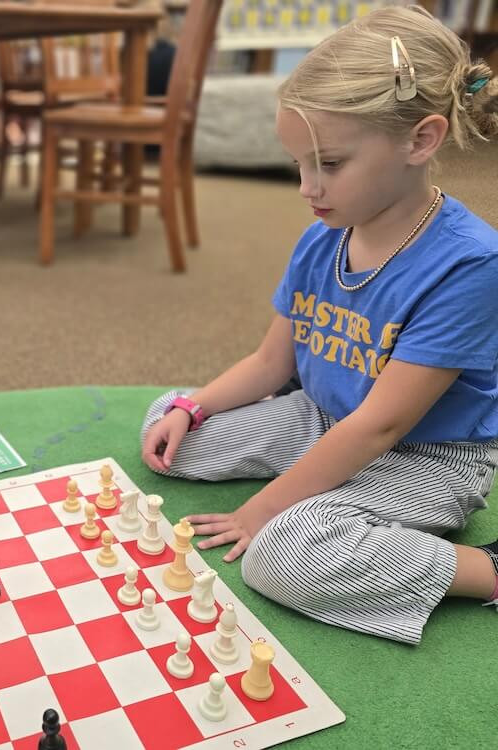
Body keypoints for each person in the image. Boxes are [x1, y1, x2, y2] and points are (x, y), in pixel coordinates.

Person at [140, 6, 498, 645]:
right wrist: (192, 409)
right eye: (298, 164)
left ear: (421, 140)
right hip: (321, 417)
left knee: (278, 554)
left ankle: (486, 569)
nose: (308, 187)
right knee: (165, 425)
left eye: (329, 164)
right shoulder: (321, 236)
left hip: (427, 458)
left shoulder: (470, 264)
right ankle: (322, 496)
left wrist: (265, 507)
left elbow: (382, 423)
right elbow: (269, 366)